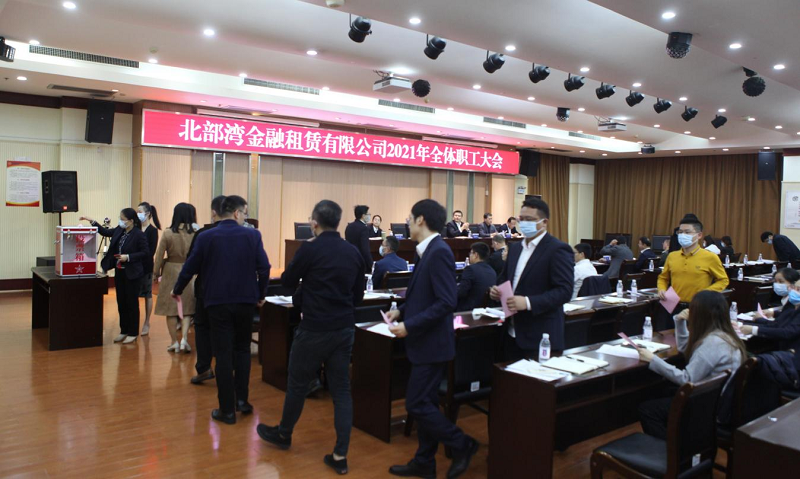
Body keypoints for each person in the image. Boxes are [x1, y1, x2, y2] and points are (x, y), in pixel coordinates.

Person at [257, 200, 365, 475]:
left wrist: (306, 288)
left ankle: (284, 433)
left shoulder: (309, 249)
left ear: (314, 223)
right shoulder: (352, 251)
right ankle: (340, 455)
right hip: (344, 329)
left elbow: (288, 281)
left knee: (297, 384)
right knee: (341, 391)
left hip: (314, 328)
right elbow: (358, 296)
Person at [385, 199, 478, 479]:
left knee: (416, 404)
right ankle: (424, 461)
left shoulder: (438, 252)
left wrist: (409, 326)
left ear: (421, 220)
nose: (406, 222)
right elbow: (422, 295)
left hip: (432, 343)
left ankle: (462, 443)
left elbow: (446, 302)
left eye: (409, 217)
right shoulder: (425, 250)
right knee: (425, 401)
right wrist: (401, 311)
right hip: (425, 342)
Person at [173, 195, 271, 425]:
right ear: (236, 213)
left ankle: (226, 409)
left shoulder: (206, 236)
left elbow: (190, 267)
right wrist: (260, 294)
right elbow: (264, 268)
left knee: (223, 354)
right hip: (246, 301)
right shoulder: (253, 235)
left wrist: (177, 289)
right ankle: (242, 401)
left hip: (217, 302)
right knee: (242, 350)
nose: (244, 217)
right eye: (244, 213)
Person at [637, 290, 746, 439]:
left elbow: (687, 379)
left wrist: (653, 360)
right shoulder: (724, 334)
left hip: (709, 405)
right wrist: (680, 321)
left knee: (647, 410)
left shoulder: (713, 343)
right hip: (717, 399)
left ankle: (672, 449)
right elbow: (686, 349)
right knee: (664, 390)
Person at [489, 197, 573, 360]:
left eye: (530, 219)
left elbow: (564, 291)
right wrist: (497, 290)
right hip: (511, 332)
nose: (524, 223)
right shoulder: (515, 248)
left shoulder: (557, 249)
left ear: (544, 222)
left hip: (540, 335)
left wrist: (528, 302)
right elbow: (505, 278)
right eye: (522, 219)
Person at [80, 209, 149, 344]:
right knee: (121, 302)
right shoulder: (120, 230)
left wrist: (128, 257)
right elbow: (105, 232)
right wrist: (92, 221)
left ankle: (133, 332)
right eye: (120, 218)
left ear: (131, 221)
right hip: (120, 272)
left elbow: (145, 252)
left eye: (123, 219)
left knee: (131, 303)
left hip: (132, 273)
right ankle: (124, 330)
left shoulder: (138, 235)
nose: (120, 221)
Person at [187, 195, 226, 385]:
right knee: (226, 330)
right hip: (233, 292)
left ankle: (204, 368)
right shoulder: (245, 234)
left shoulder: (203, 233)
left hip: (206, 289)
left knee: (202, 327)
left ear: (213, 212)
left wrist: (178, 287)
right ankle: (226, 370)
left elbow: (191, 262)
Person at [658, 215, 729, 307]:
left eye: (687, 232)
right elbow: (663, 278)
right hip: (672, 304)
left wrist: (706, 293)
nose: (682, 235)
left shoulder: (710, 257)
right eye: (680, 232)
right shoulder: (672, 256)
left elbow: (723, 280)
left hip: (697, 305)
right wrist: (662, 289)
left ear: (699, 235)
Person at [154, 203, 196, 354]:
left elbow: (159, 255)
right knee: (188, 308)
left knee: (170, 309)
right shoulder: (196, 233)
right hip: (190, 271)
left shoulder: (168, 233)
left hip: (171, 270)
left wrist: (155, 273)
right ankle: (184, 339)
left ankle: (174, 342)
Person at [740, 268, 800, 370]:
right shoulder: (794, 304)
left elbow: (785, 330)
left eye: (798, 290)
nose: (794, 291)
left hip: (791, 360)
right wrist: (774, 313)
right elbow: (785, 319)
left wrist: (754, 328)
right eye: (794, 288)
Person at [137, 202, 161, 336]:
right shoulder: (136, 228)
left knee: (147, 295)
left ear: (147, 214)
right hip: (134, 267)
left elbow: (151, 251)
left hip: (146, 267)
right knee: (134, 295)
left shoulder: (152, 231)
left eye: (140, 211)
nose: (137, 214)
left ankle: (147, 322)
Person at [456, 243, 497, 311]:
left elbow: (461, 292)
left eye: (470, 253)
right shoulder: (492, 271)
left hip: (467, 309)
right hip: (485, 309)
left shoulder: (470, 269)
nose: (469, 256)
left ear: (476, 255)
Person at [345, 205, 373, 272]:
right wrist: (371, 264)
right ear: (363, 216)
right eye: (368, 214)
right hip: (361, 261)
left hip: (350, 259)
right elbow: (365, 249)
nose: (369, 216)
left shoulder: (349, 226)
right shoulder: (364, 228)